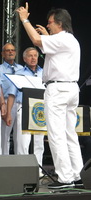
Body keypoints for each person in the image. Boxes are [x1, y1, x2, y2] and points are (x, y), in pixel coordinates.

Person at [17, 3, 84, 189]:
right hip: (70, 89)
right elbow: (47, 48)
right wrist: (47, 37)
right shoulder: (70, 40)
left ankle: (65, 178)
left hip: (58, 90)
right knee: (70, 134)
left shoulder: (63, 39)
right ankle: (78, 175)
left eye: (50, 23)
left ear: (60, 23)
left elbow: (36, 41)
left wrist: (24, 19)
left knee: (56, 135)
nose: (48, 25)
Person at [5, 47, 44, 177]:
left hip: (40, 109)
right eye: (30, 56)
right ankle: (22, 169)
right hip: (24, 107)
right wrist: (9, 113)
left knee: (39, 142)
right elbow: (11, 94)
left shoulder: (44, 72)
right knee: (23, 141)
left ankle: (38, 171)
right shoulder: (19, 73)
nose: (33, 58)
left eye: (35, 55)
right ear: (24, 59)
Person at [0, 43, 23, 155]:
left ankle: (19, 162)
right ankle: (4, 160)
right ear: (3, 54)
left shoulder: (21, 68)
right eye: (7, 50)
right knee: (5, 134)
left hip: (21, 103)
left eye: (13, 50)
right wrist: (2, 104)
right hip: (7, 101)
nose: (10, 52)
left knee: (21, 136)